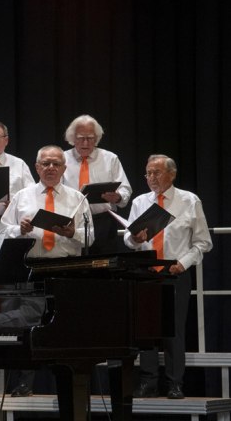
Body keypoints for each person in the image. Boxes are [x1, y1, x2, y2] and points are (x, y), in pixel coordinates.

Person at [0, 145, 93, 396]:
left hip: (65, 269)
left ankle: (69, 385)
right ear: (37, 167)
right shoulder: (22, 196)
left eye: (56, 164)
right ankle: (22, 383)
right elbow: (2, 231)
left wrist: (71, 232)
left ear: (64, 168)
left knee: (64, 328)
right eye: (45, 163)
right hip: (30, 267)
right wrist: (20, 230)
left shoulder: (77, 198)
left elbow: (90, 238)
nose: (51, 168)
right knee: (25, 326)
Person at [125, 155, 212, 399]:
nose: (151, 178)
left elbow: (203, 242)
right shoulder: (141, 201)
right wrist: (134, 239)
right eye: (148, 173)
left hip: (175, 272)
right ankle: (148, 381)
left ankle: (175, 383)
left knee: (173, 331)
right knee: (147, 330)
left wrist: (182, 264)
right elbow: (128, 237)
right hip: (146, 272)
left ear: (171, 175)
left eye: (157, 173)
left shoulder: (188, 200)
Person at [62, 115, 132, 254]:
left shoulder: (110, 158)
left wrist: (117, 197)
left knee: (104, 268)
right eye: (81, 138)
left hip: (103, 222)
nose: (86, 143)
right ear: (72, 138)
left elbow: (125, 189)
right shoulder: (62, 158)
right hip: (72, 222)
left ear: (97, 138)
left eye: (90, 138)